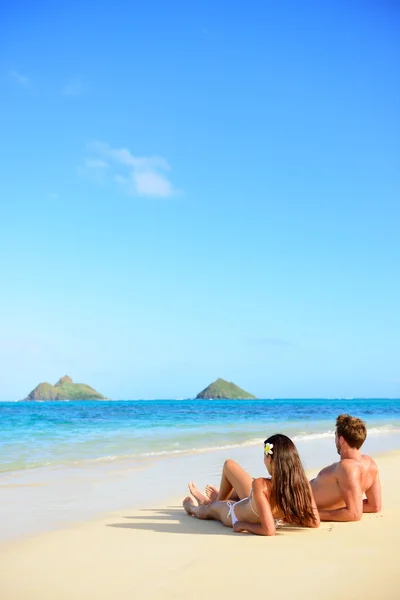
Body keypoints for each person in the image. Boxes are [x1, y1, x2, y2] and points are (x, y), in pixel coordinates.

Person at [182, 434, 320, 536]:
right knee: (236, 493)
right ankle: (213, 500)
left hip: (233, 514)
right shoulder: (302, 485)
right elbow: (315, 522)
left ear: (271, 459)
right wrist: (287, 517)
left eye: (265, 456)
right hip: (256, 511)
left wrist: (244, 525)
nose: (264, 460)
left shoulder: (261, 485)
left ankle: (191, 508)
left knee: (209, 509)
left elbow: (269, 530)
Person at [311, 414, 382, 521]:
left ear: (341, 440)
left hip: (293, 501)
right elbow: (375, 506)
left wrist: (312, 514)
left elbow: (354, 514)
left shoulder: (346, 467)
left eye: (335, 436)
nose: (335, 440)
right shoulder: (370, 464)